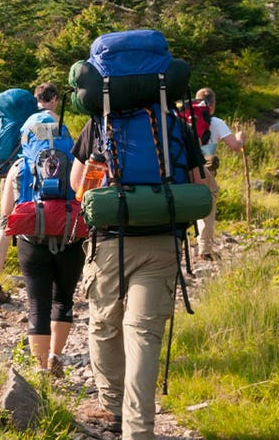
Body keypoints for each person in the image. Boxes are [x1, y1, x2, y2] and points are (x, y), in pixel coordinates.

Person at [71, 115, 208, 439]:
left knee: (105, 325)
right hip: (162, 242)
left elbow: (78, 189)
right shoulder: (173, 123)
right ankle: (139, 430)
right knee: (144, 336)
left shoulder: (98, 124)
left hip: (108, 242)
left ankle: (113, 408)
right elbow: (201, 188)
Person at [0, 104, 85, 376]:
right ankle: (56, 356)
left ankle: (41, 368)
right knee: (64, 300)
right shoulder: (75, 163)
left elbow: (5, 214)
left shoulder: (19, 166)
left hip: (31, 240)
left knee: (38, 304)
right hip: (71, 237)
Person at [0, 82, 61, 305]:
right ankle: (45, 285)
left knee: (4, 229)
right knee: (45, 226)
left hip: (10, 173)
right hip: (34, 178)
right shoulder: (49, 120)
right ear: (54, 99)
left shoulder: (24, 118)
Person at [191, 87, 246, 261]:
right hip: (203, 170)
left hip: (181, 167)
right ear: (213, 105)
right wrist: (241, 137)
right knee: (208, 204)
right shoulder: (216, 122)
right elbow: (235, 147)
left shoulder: (184, 119)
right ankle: (205, 250)